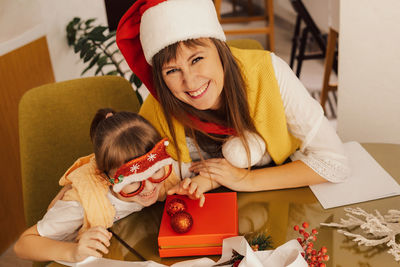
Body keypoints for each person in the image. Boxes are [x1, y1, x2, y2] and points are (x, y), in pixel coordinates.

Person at [116, 0, 350, 195]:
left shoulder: (269, 73)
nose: (190, 81)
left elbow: (334, 162)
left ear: (220, 49)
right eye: (172, 71)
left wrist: (245, 180)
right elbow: (131, 177)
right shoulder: (158, 105)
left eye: (196, 59)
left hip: (276, 198)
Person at [14, 108, 204, 263]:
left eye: (154, 172)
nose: (148, 188)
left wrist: (198, 183)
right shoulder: (81, 204)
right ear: (106, 178)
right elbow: (23, 245)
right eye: (134, 182)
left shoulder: (166, 170)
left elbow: (205, 167)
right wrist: (73, 251)